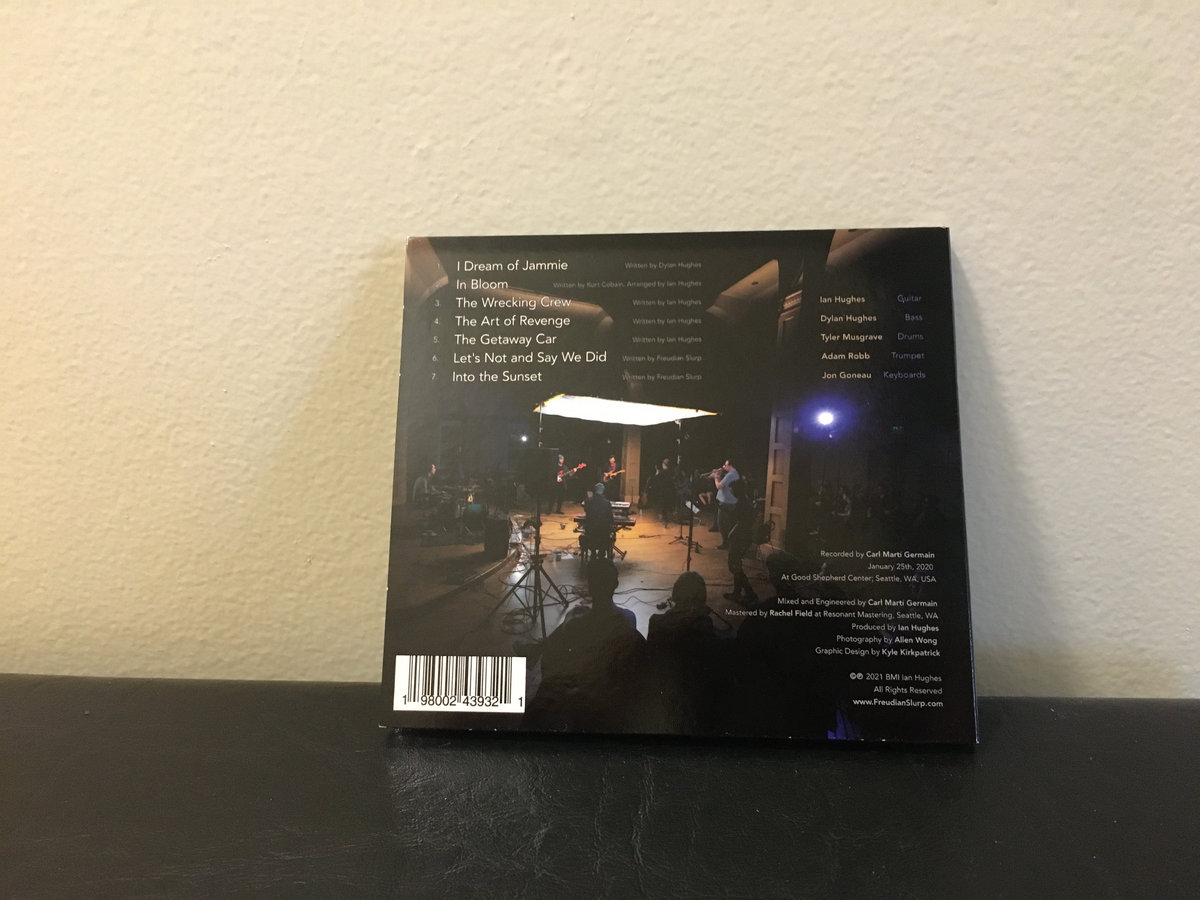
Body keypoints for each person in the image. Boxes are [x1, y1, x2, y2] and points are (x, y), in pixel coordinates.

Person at [526, 558, 647, 731]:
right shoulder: (629, 618)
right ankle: (536, 649)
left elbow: (551, 664)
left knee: (573, 617)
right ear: (616, 584)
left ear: (589, 587)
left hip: (581, 704)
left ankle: (537, 649)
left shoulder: (576, 625)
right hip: (610, 703)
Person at [723, 478, 758, 605]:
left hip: (740, 536)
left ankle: (750, 593)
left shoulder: (741, 502)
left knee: (733, 565)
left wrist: (731, 532)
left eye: (732, 488)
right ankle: (737, 592)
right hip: (743, 536)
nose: (730, 490)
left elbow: (740, 520)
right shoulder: (744, 500)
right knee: (736, 564)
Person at [711, 459, 740, 548]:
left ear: (730, 466)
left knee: (722, 524)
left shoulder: (730, 475)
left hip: (726, 503)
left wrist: (715, 477)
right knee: (727, 523)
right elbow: (724, 485)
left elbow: (719, 486)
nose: (724, 466)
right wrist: (719, 476)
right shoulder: (734, 474)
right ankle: (729, 542)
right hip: (729, 502)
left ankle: (726, 543)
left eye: (725, 465)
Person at [581, 482, 615, 559]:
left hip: (590, 531)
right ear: (603, 491)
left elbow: (587, 512)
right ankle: (602, 552)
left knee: (590, 531)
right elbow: (611, 519)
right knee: (608, 531)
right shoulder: (607, 503)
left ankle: (593, 552)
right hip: (603, 533)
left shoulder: (588, 501)